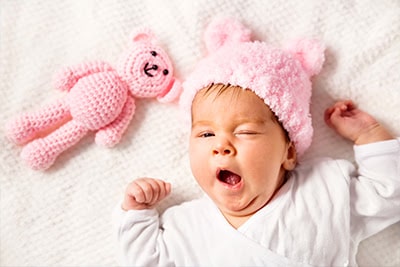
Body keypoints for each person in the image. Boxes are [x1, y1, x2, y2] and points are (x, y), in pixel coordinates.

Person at [112, 18, 400, 266]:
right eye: (206, 134)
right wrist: (136, 213)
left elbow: (389, 194)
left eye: (245, 132)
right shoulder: (186, 228)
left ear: (288, 152)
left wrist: (369, 134)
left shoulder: (323, 192)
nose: (221, 146)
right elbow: (144, 260)